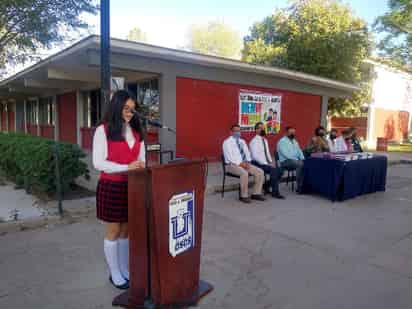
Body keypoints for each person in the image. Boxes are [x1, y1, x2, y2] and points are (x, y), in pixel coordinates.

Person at [92, 90, 146, 290]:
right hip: (112, 185)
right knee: (114, 230)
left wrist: (141, 165)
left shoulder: (137, 131)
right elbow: (98, 163)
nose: (130, 112)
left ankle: (124, 269)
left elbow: (141, 158)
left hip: (133, 185)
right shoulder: (103, 130)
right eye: (126, 108)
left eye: (133, 109)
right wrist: (127, 167)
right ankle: (114, 273)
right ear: (117, 107)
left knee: (127, 230)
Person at [222, 124, 266, 203]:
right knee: (244, 173)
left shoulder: (242, 141)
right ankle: (244, 196)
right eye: (235, 131)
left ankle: (256, 193)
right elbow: (229, 157)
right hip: (232, 165)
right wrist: (240, 164)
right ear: (231, 132)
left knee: (260, 171)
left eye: (239, 131)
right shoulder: (227, 142)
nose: (237, 132)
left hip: (245, 163)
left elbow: (247, 153)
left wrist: (248, 161)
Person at [249, 122, 285, 199]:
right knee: (274, 170)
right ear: (256, 130)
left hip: (265, 163)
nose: (262, 129)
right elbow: (255, 156)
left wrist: (271, 162)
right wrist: (266, 164)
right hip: (257, 163)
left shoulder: (265, 140)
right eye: (260, 128)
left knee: (281, 170)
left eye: (263, 128)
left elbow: (267, 153)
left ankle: (266, 185)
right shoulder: (254, 141)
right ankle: (275, 192)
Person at [276, 126, 305, 192]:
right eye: (290, 132)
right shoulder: (282, 141)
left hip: (294, 161)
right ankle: (300, 187)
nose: (292, 134)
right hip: (285, 161)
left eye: (293, 132)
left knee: (304, 163)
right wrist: (297, 160)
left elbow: (299, 150)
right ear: (286, 133)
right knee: (300, 164)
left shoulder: (295, 141)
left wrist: (302, 158)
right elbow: (286, 154)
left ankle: (304, 185)